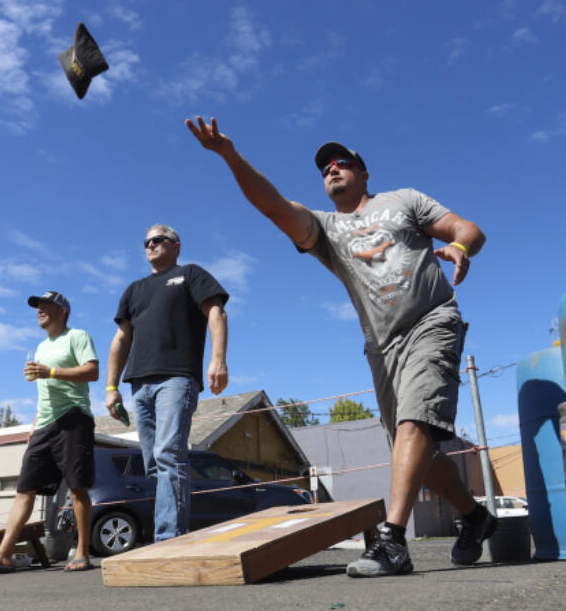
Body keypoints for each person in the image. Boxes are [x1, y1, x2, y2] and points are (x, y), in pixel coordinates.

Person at [186, 116, 495, 577]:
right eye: (325, 167)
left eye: (342, 162)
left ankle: (392, 543)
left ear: (364, 172)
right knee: (415, 451)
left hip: (432, 320)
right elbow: (273, 207)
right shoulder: (325, 229)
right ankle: (475, 517)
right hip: (383, 347)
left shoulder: (403, 200)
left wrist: (460, 249)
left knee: (414, 424)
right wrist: (230, 155)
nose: (332, 169)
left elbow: (468, 229)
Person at [104, 224, 229, 542]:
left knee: (169, 455)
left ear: (176, 246)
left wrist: (218, 359)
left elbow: (216, 312)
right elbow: (121, 338)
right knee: (153, 464)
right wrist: (110, 387)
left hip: (176, 378)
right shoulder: (134, 290)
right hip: (139, 385)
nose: (151, 245)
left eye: (158, 239)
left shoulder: (190, 274)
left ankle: (169, 536)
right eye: (146, 241)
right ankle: (166, 531)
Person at [0, 291, 100, 573]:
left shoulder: (77, 336)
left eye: (46, 305)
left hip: (73, 418)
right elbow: (44, 393)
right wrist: (33, 426)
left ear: (63, 311)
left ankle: (81, 552)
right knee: (24, 490)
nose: (39, 310)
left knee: (78, 488)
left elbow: (92, 371)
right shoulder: (41, 347)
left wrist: (51, 372)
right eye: (37, 306)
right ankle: (3, 553)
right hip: (44, 424)